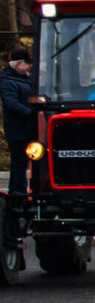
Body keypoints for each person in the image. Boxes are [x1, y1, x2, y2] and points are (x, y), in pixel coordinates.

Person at [2, 47, 35, 195]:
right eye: (28, 64)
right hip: (17, 128)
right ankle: (17, 191)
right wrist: (30, 113)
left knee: (23, 160)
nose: (30, 66)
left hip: (27, 126)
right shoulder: (8, 81)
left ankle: (22, 189)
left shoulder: (25, 79)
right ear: (20, 64)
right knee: (19, 160)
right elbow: (11, 103)